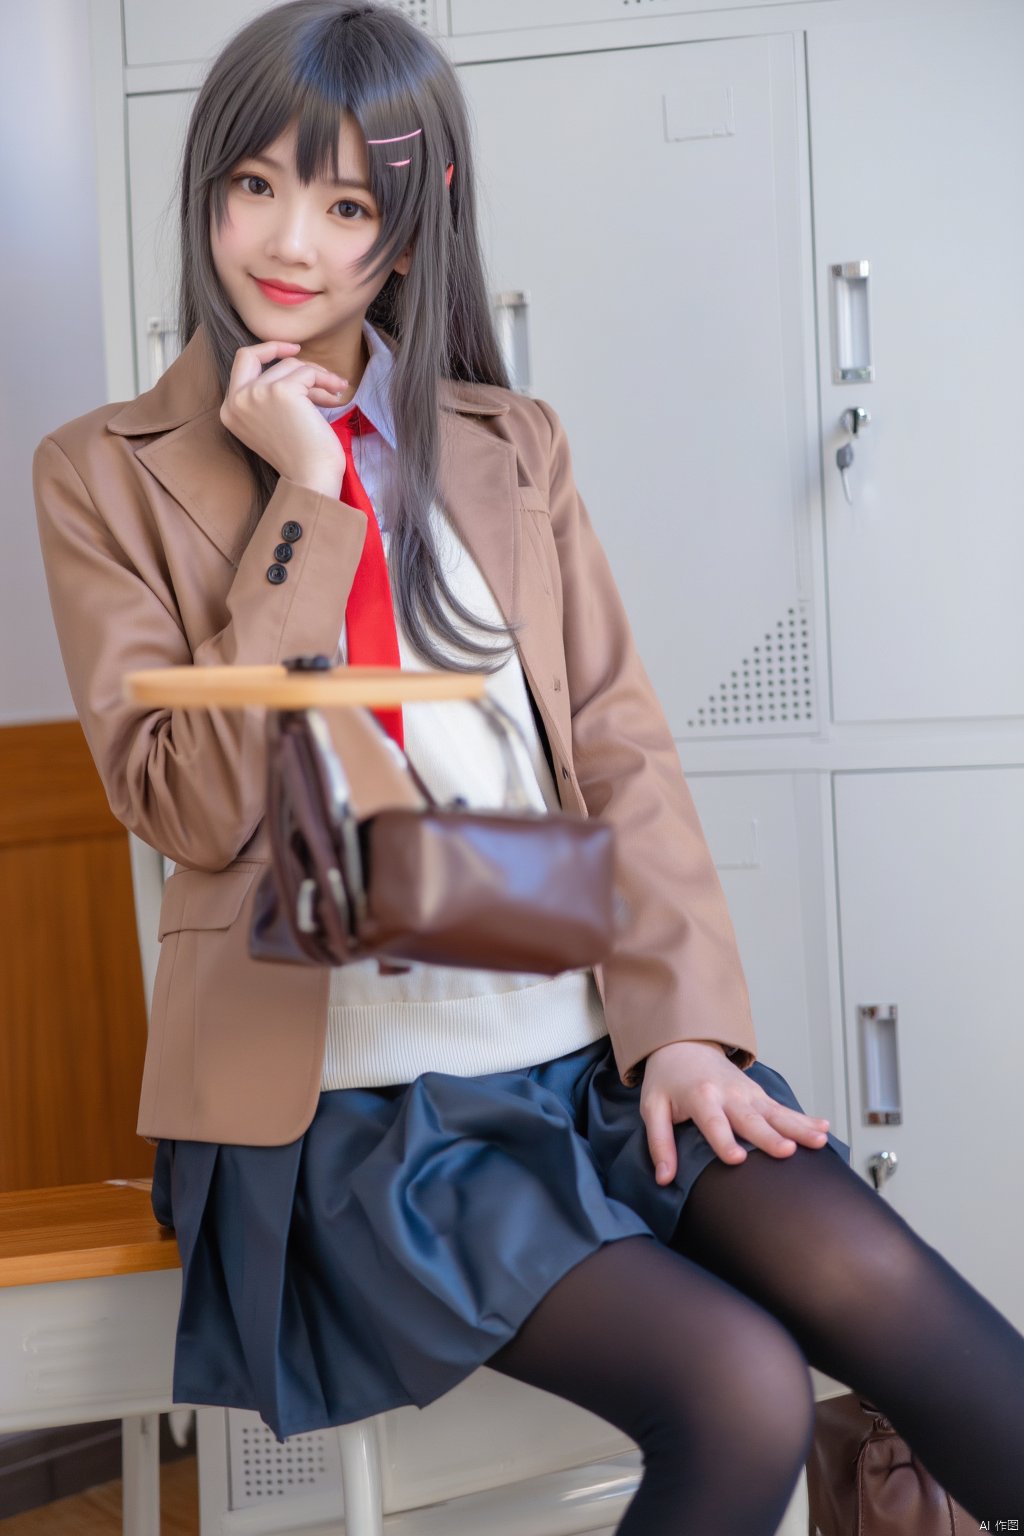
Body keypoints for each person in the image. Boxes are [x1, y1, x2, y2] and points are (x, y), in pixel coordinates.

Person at [32, 3, 1024, 1531]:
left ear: (409, 239)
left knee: (909, 1312)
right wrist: (308, 498)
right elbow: (193, 804)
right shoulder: (106, 471)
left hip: (585, 1058)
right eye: (254, 185)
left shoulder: (512, 445)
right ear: (204, 196)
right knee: (743, 1388)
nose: (288, 239)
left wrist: (687, 1032)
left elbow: (622, 753)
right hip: (353, 1119)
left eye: (348, 203)